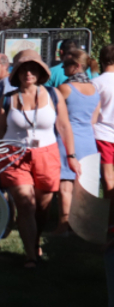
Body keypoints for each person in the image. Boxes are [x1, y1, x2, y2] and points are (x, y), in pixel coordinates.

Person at [0, 51, 81, 268]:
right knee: (25, 203)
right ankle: (31, 255)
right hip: (13, 155)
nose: (28, 73)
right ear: (17, 73)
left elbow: (64, 126)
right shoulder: (8, 98)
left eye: (33, 69)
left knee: (42, 207)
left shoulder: (53, 94)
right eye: (23, 69)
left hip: (47, 154)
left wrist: (71, 156)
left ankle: (34, 240)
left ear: (40, 72)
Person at [54, 50, 98, 235]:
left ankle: (64, 225)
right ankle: (84, 227)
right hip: (88, 141)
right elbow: (93, 119)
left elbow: (54, 115)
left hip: (67, 140)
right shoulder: (94, 89)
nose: (62, 67)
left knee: (66, 185)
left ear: (77, 66)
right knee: (85, 186)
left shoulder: (65, 88)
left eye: (66, 64)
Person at [91, 45, 114, 202]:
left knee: (107, 177)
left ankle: (110, 214)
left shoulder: (96, 83)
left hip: (102, 134)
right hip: (104, 134)